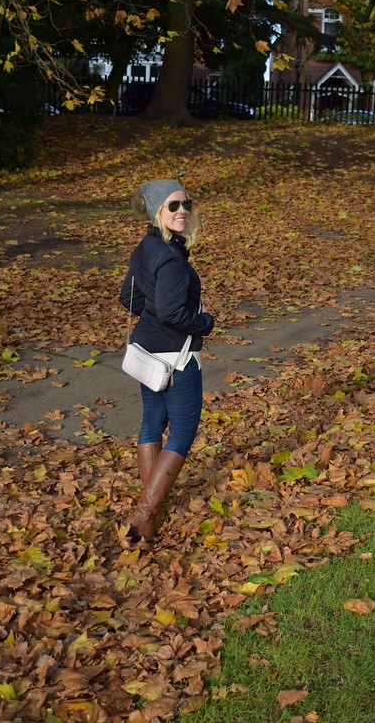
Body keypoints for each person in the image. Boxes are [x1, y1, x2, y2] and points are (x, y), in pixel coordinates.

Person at [120, 179, 215, 541]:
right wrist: (205, 322)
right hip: (177, 357)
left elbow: (130, 298)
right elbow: (173, 313)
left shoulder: (146, 246)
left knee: (152, 424)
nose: (182, 211)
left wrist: (154, 318)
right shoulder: (172, 259)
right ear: (157, 211)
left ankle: (149, 513)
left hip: (149, 352)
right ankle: (144, 516)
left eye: (185, 203)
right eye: (173, 205)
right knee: (183, 432)